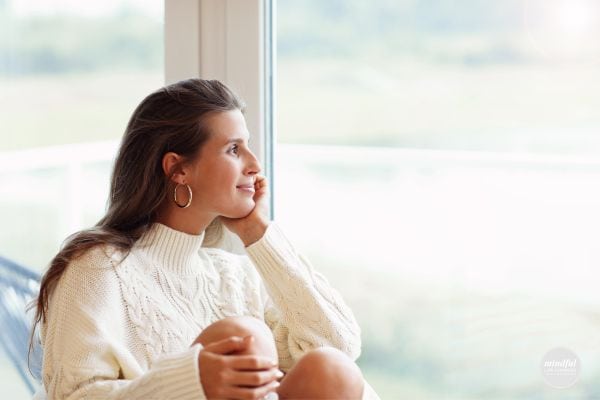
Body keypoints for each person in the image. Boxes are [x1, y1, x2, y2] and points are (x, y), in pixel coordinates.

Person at [31, 79, 380, 399]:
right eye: (233, 149)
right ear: (177, 169)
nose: (255, 165)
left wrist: (256, 231)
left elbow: (338, 345)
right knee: (246, 337)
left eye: (248, 147)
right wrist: (192, 382)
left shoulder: (234, 276)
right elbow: (72, 395)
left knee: (330, 369)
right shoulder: (98, 269)